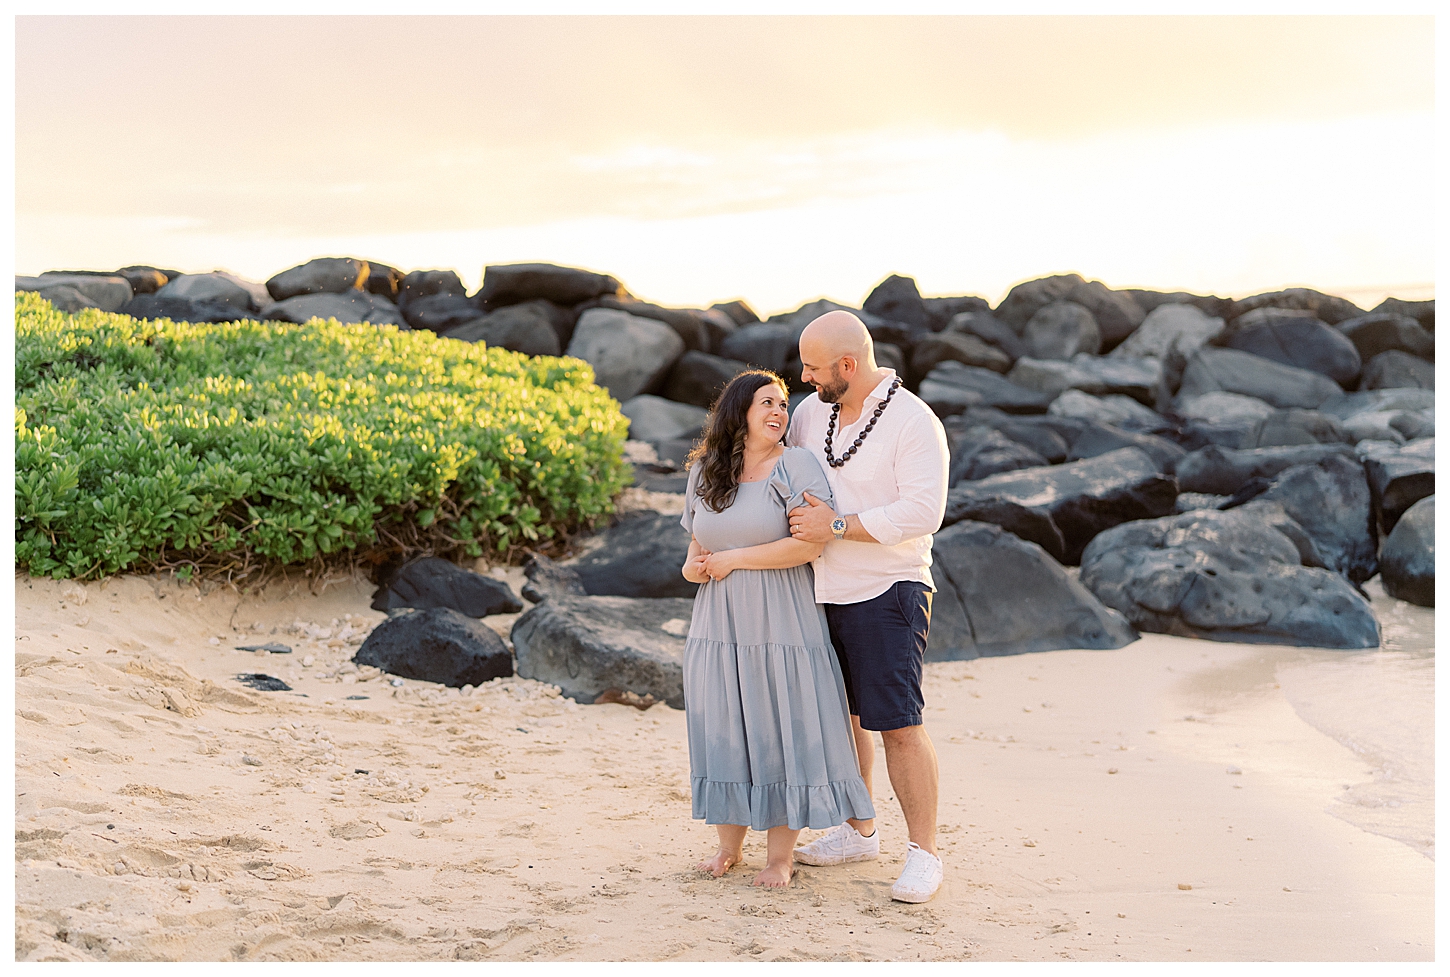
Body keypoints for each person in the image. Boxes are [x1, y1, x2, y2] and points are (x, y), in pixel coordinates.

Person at [679, 369, 875, 888]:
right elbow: (693, 552)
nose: (779, 412)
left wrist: (735, 559)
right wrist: (696, 567)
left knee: (778, 728)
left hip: (783, 620)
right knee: (722, 726)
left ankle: (779, 858)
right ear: (738, 411)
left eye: (784, 403)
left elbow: (809, 544)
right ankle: (727, 847)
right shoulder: (704, 471)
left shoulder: (797, 465)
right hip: (718, 624)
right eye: (767, 402)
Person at [784, 309, 951, 904]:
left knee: (899, 726)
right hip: (820, 588)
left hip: (890, 590)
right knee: (844, 722)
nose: (804, 378)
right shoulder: (811, 415)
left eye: (813, 367)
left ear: (847, 366)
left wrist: (836, 524)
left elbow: (921, 512)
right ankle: (859, 831)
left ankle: (925, 854)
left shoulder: (913, 422)